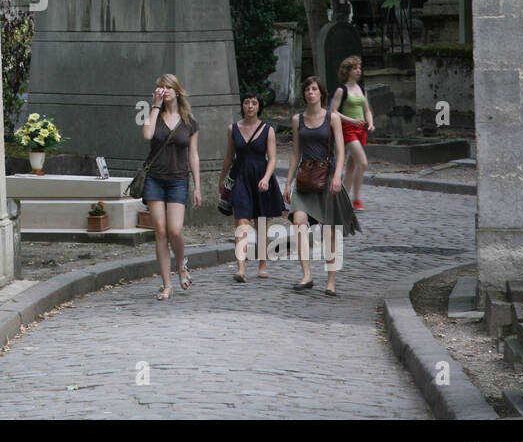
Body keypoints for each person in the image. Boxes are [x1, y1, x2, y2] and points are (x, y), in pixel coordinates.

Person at [283, 76, 360, 296]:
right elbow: (295, 152)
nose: (310, 93)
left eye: (314, 89)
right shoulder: (297, 119)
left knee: (330, 231)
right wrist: (288, 183)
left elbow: (341, 149)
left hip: (327, 177)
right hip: (305, 178)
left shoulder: (332, 118)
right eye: (307, 89)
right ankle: (306, 275)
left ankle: (331, 281)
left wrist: (338, 176)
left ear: (321, 93)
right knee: (298, 222)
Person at [140, 73, 201, 300]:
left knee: (175, 230)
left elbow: (193, 155)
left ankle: (181, 265)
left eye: (167, 87)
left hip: (178, 179)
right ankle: (166, 284)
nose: (163, 91)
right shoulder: (154, 115)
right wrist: (155, 106)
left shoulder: (190, 122)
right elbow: (147, 135)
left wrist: (197, 186)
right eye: (160, 88)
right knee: (161, 232)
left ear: (177, 91)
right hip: (155, 179)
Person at [217, 92, 284, 282]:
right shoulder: (233, 129)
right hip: (240, 178)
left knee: (261, 224)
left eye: (254, 103)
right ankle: (241, 268)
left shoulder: (267, 129)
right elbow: (229, 157)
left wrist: (266, 178)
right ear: (242, 106)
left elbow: (272, 158)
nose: (250, 106)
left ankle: (263, 265)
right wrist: (222, 180)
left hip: (261, 179)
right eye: (246, 102)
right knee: (241, 222)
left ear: (258, 107)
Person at [329, 55, 374, 211]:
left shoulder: (362, 89)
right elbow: (333, 111)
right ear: (347, 71)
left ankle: (345, 199)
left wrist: (371, 123)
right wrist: (352, 120)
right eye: (355, 68)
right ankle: (356, 200)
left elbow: (366, 110)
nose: (358, 71)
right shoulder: (342, 90)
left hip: (361, 129)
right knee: (363, 162)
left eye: (359, 68)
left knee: (351, 166)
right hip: (348, 130)